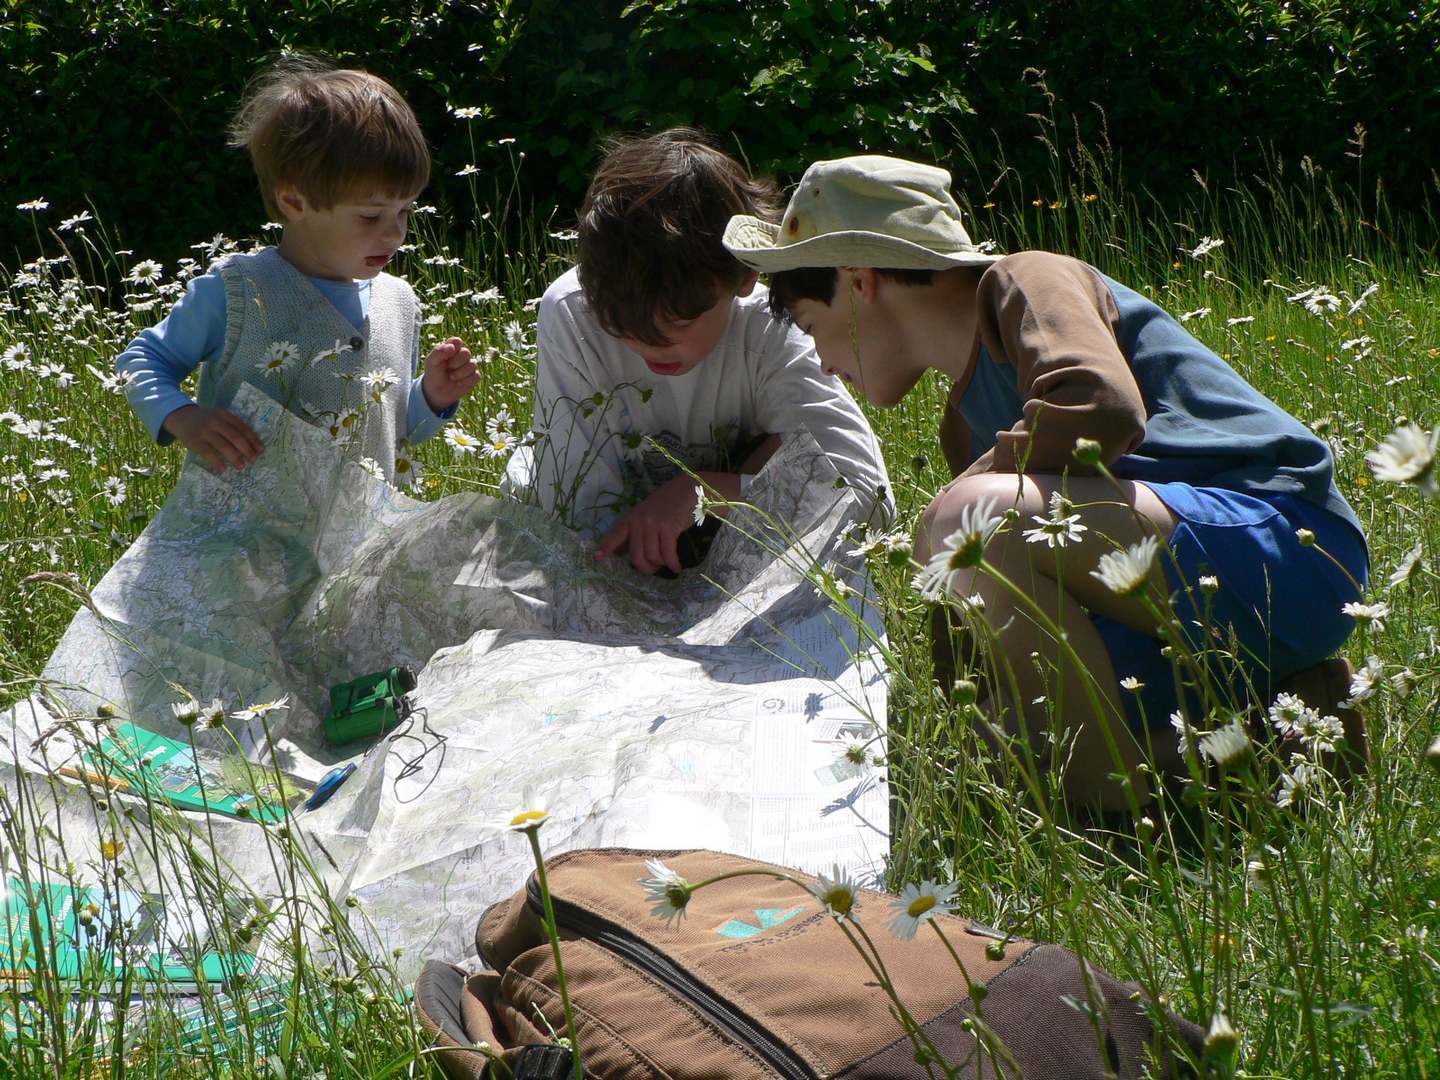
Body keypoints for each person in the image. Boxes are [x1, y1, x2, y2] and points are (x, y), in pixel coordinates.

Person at [723, 154, 1369, 807]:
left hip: (1289, 546)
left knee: (966, 523)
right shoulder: (965, 429)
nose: (825, 366)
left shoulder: (1026, 281)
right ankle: (1296, 726)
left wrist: (953, 505)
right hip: (1189, 597)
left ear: (858, 281)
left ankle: (1108, 804)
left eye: (810, 329)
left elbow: (1102, 408)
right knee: (1009, 735)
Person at [504, 129, 892, 576]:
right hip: (614, 556)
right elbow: (576, 520)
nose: (647, 341)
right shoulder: (574, 311)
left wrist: (707, 492)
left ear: (743, 279)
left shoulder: (769, 328)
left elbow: (867, 496)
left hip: (728, 554)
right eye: (620, 322)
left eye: (679, 320)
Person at [117, 56, 478, 484]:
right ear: (294, 202)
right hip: (243, 539)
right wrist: (184, 417)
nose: (394, 233)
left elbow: (392, 428)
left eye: (404, 211)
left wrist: (432, 396)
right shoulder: (239, 292)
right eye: (369, 216)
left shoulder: (399, 304)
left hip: (357, 540)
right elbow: (141, 361)